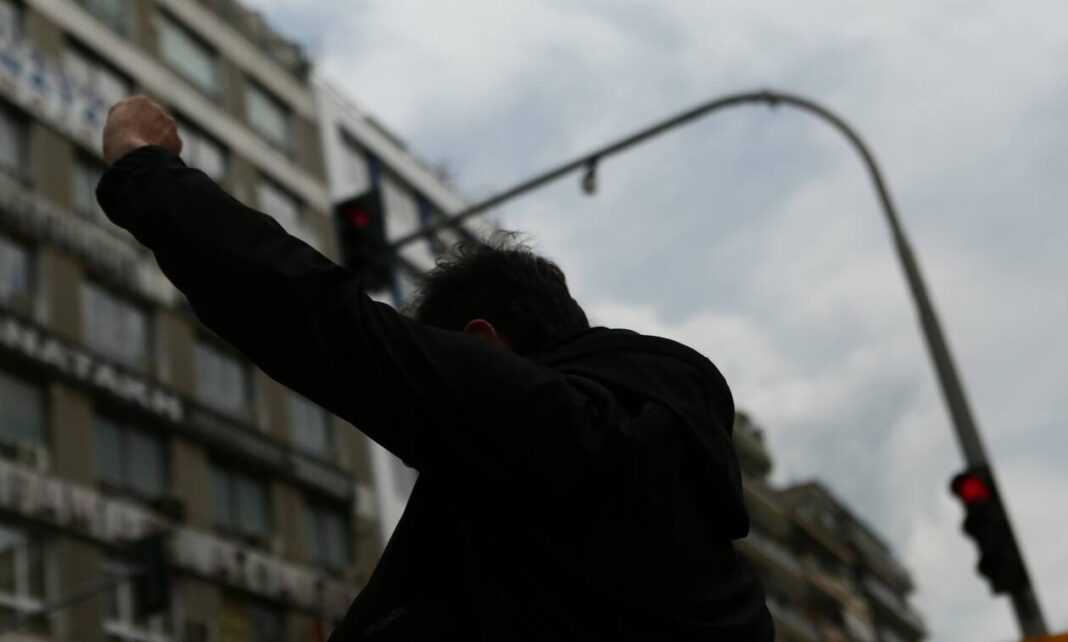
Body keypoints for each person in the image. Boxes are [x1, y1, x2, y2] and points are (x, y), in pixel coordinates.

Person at [97, 96, 774, 641]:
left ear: (481, 347)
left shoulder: (550, 431)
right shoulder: (693, 525)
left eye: (442, 361)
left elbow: (317, 318)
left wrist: (143, 168)